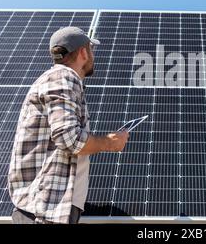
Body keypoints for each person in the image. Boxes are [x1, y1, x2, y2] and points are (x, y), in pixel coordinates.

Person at [8, 26, 129, 224]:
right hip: (45, 209)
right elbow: (69, 138)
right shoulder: (63, 77)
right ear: (83, 52)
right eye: (91, 49)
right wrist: (110, 143)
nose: (93, 55)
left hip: (47, 208)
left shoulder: (56, 79)